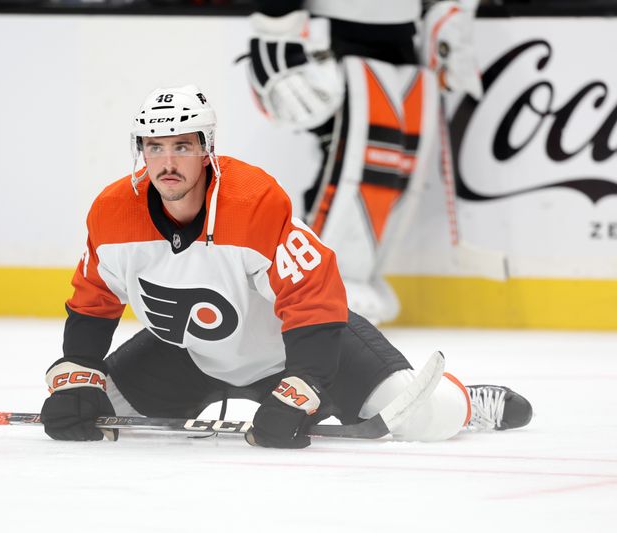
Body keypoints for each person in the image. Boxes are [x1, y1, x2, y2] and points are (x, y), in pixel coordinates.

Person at [40, 85, 531, 448]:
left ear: (206, 149)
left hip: (291, 348)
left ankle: (468, 401)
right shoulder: (112, 211)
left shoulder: (252, 201)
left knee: (421, 419)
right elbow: (94, 300)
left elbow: (313, 298)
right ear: (140, 151)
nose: (167, 161)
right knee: (100, 412)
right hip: (186, 351)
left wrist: (302, 389)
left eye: (182, 146)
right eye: (155, 146)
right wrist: (79, 372)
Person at [244, 0, 484, 323]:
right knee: (355, 161)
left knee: (391, 166)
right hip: (333, 33)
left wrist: (450, 13)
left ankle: (356, 276)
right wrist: (275, 31)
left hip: (402, 35)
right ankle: (316, 283)